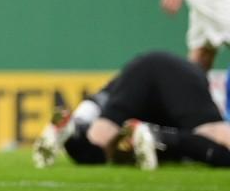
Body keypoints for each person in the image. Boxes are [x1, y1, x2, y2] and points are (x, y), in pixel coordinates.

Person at [33, 51, 230, 170]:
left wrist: (79, 118)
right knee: (215, 139)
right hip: (179, 76)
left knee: (97, 143)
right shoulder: (190, 77)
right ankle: (157, 136)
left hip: (140, 67)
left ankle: (72, 131)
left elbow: (97, 101)